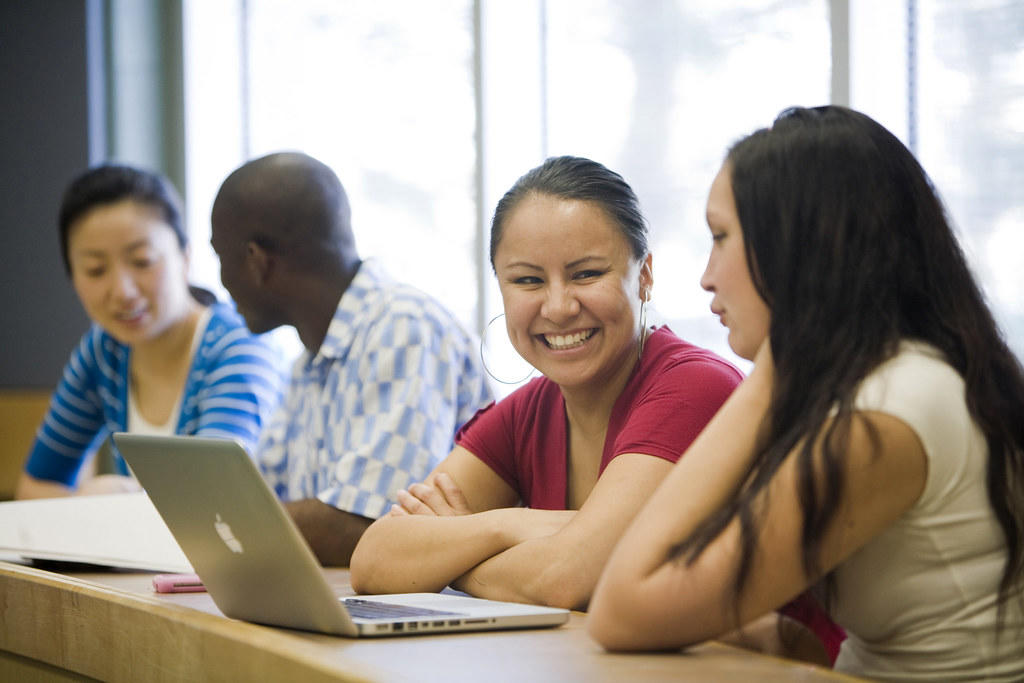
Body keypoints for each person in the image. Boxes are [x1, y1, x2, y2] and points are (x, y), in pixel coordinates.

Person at [588, 106, 1024, 681]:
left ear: (795, 247)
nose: (707, 276)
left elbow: (621, 610)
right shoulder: (911, 376)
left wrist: (772, 372)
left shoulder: (883, 416)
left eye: (721, 237)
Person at [349, 156, 743, 611]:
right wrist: (509, 527)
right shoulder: (526, 410)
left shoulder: (695, 387)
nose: (558, 307)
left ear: (645, 276)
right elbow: (374, 560)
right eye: (528, 281)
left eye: (587, 274)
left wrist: (453, 554)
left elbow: (566, 579)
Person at [209, 151, 493, 567]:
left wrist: (225, 522)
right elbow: (260, 498)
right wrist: (232, 517)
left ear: (257, 261)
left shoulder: (405, 327)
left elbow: (368, 530)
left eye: (221, 257)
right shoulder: (308, 362)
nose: (221, 282)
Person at [17, 164, 285, 499]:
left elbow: (213, 503)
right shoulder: (104, 349)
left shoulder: (239, 346)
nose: (122, 290)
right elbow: (36, 486)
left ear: (185, 257)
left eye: (142, 261)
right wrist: (85, 504)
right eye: (95, 270)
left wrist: (113, 503)